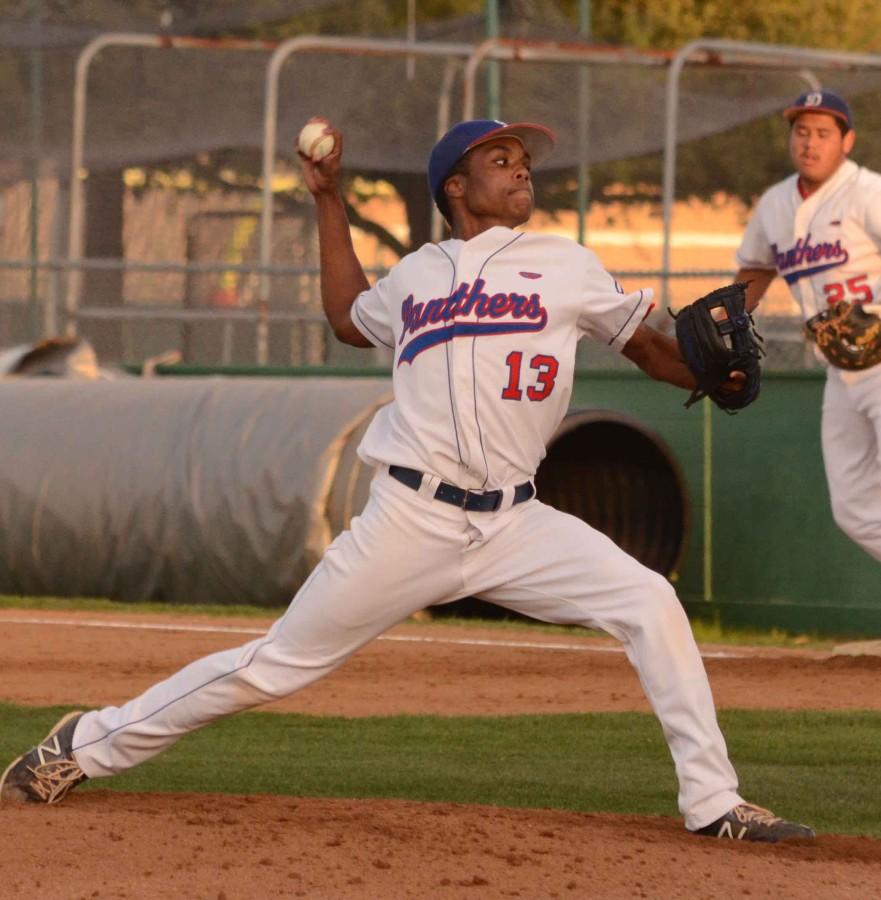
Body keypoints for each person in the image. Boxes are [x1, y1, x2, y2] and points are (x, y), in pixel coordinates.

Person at [1, 117, 814, 843]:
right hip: (408, 519)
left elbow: (648, 346)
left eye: (524, 158)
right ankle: (83, 744)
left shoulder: (564, 263)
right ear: (455, 187)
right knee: (275, 664)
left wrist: (713, 378)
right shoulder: (417, 277)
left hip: (517, 524)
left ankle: (714, 802)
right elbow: (348, 315)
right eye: (501, 158)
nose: (522, 168)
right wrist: (328, 199)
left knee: (647, 602)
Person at [735, 89, 881, 563]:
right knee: (855, 506)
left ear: (847, 141)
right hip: (840, 370)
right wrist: (727, 321)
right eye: (802, 132)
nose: (810, 143)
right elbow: (756, 269)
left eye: (823, 133)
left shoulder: (868, 192)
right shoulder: (775, 204)